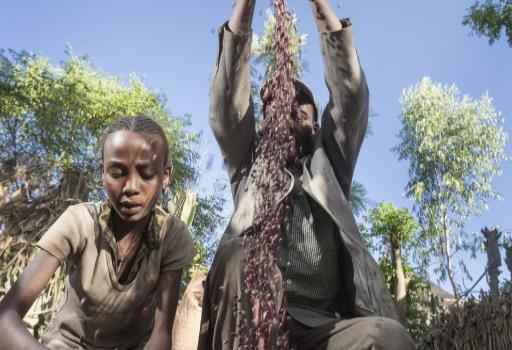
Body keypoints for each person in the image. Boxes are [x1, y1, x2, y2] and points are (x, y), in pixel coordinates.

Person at [198, 0, 415, 349]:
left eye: (300, 100)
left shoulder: (328, 164)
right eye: (274, 101)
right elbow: (226, 102)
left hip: (323, 329)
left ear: (316, 123)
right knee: (238, 253)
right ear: (263, 122)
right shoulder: (249, 164)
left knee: (388, 336)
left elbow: (351, 97)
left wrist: (319, 6)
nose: (287, 102)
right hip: (255, 326)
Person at [0, 116, 196, 350]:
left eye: (146, 173)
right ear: (102, 172)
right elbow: (5, 319)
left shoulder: (172, 237)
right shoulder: (79, 222)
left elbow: (161, 334)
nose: (131, 187)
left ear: (165, 176)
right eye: (116, 173)